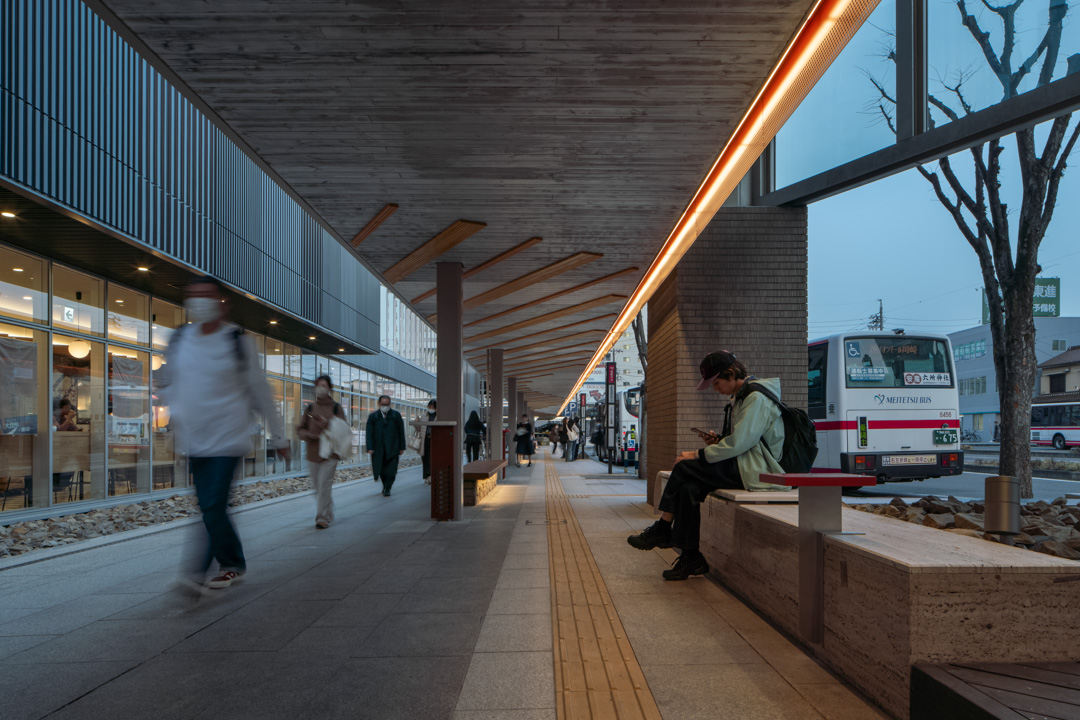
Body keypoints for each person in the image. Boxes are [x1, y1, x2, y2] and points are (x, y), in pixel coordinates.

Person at [164, 276, 290, 592]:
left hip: (228, 438)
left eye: (207, 295)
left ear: (222, 302)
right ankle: (234, 562)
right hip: (195, 441)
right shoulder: (180, 339)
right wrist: (173, 423)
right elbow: (172, 384)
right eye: (194, 296)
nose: (200, 302)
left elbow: (261, 393)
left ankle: (196, 573)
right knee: (210, 506)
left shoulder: (236, 342)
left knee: (212, 505)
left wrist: (279, 437)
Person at [627, 350, 789, 581]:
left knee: (684, 467)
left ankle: (662, 530)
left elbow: (742, 442)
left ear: (731, 374)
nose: (715, 389)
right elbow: (745, 441)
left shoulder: (756, 398)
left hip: (758, 470)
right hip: (746, 464)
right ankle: (691, 557)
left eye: (717, 382)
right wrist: (719, 442)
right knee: (688, 489)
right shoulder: (743, 397)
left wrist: (698, 453)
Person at [297, 374, 348, 529]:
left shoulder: (336, 408)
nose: (320, 389)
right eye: (318, 385)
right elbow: (300, 428)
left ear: (330, 389)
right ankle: (327, 511)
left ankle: (322, 518)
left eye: (324, 386)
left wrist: (327, 425)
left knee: (324, 486)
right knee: (317, 488)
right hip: (313, 453)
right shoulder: (310, 408)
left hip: (330, 454)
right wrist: (308, 435)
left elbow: (343, 431)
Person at [366, 395, 406, 496]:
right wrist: (369, 447)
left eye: (387, 404)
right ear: (379, 404)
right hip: (379, 448)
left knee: (391, 471)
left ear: (390, 404)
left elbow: (401, 432)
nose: (385, 406)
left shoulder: (395, 416)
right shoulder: (373, 417)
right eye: (383, 404)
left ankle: (388, 487)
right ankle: (385, 486)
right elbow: (369, 433)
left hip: (393, 447)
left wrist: (402, 447)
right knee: (382, 470)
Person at [420, 399, 437, 484]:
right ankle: (426, 476)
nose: (431, 408)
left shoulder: (438, 416)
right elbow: (420, 429)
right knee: (424, 458)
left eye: (433, 407)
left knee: (432, 457)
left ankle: (430, 475)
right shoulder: (424, 416)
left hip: (434, 439)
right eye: (430, 406)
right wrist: (416, 423)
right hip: (424, 439)